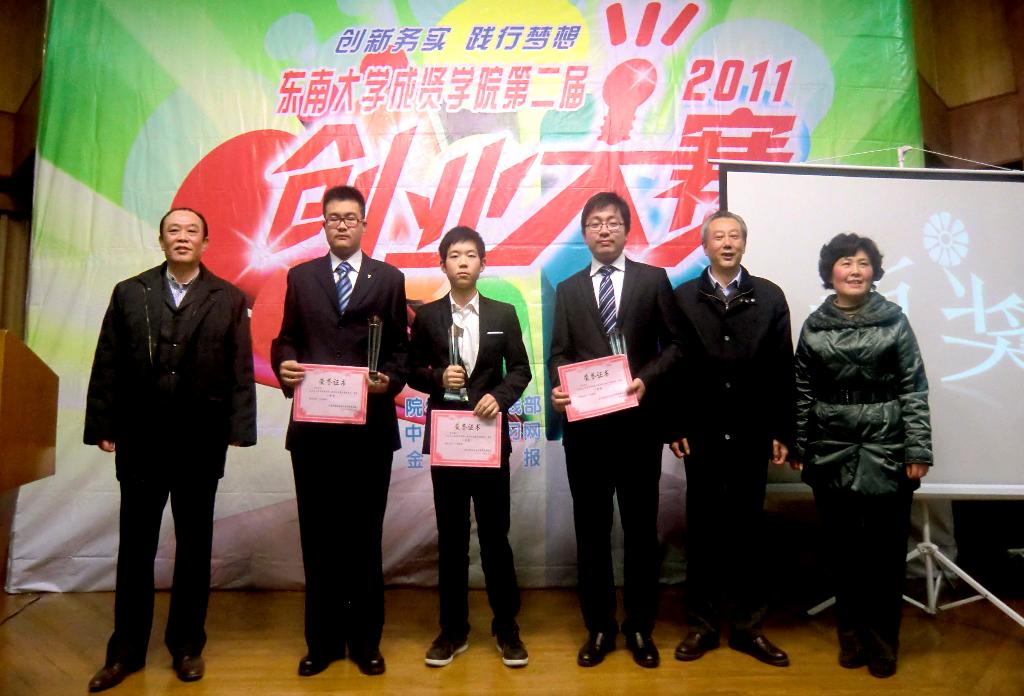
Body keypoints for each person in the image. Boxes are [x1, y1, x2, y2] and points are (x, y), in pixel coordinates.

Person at [83, 208, 257, 692]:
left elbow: (240, 367)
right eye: (173, 230)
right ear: (161, 241)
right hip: (140, 439)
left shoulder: (228, 297)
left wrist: (240, 427)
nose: (182, 237)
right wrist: (103, 424)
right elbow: (107, 361)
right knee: (135, 547)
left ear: (206, 242)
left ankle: (186, 646)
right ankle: (125, 651)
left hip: (201, 441)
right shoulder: (130, 292)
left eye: (191, 231)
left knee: (195, 547)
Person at [271, 185, 408, 677]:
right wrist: (285, 362)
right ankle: (322, 642)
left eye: (351, 217)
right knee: (319, 538)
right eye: (334, 217)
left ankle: (366, 642)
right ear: (324, 224)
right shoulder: (301, 276)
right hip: (314, 432)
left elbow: (401, 349)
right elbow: (286, 338)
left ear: (365, 223)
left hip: (369, 431)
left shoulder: (389, 278)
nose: (342, 224)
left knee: (365, 537)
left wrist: (389, 378)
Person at [548, 191, 687, 669]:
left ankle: (640, 628)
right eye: (595, 223)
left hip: (638, 430)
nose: (603, 230)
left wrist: (646, 379)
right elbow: (559, 352)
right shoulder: (567, 289)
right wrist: (560, 387)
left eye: (612, 222)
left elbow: (676, 345)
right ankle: (600, 628)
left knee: (640, 531)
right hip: (586, 433)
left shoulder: (653, 280)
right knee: (591, 532)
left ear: (626, 230)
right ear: (584, 233)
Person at [790, 232, 931, 678]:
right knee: (843, 554)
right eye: (846, 262)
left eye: (863, 263)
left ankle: (883, 643)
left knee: (885, 556)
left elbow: (914, 387)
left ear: (874, 272)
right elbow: (802, 391)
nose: (855, 270)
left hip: (888, 448)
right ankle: (850, 638)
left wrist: (918, 448)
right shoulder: (814, 326)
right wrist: (800, 444)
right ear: (830, 271)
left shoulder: (895, 321)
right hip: (831, 449)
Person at [668, 210, 793, 668]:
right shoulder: (683, 297)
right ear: (704, 246)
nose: (727, 243)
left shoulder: (770, 296)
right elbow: (671, 367)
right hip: (700, 432)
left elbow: (782, 367)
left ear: (744, 243)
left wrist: (783, 429)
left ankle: (747, 628)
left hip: (751, 430)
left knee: (748, 532)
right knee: (701, 531)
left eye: (734, 236)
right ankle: (701, 625)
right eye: (718, 236)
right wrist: (674, 424)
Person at [407, 226, 532, 668]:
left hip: (488, 440)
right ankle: (453, 629)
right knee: (452, 538)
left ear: (482, 263)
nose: (463, 262)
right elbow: (411, 370)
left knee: (496, 536)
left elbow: (521, 370)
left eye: (471, 255)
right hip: (448, 441)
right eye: (455, 255)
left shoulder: (503, 313)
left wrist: (499, 397)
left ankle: (506, 627)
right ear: (442, 264)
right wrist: (437, 376)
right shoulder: (427, 317)